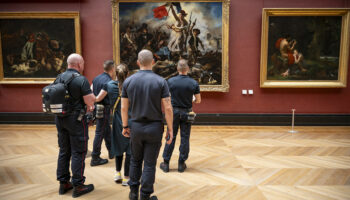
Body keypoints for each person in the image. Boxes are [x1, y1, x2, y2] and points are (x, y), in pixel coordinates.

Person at [121, 49, 173, 200]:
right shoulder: (160, 81)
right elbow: (168, 108)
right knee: (149, 164)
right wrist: (170, 129)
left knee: (135, 160)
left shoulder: (128, 81)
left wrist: (125, 126)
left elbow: (124, 107)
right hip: (155, 127)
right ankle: (145, 195)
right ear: (153, 62)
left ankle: (133, 193)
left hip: (136, 126)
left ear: (138, 62)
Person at [55, 53, 95, 198]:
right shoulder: (81, 80)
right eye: (83, 64)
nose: (83, 66)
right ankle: (78, 185)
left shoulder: (58, 77)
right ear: (78, 64)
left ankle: (63, 183)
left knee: (64, 150)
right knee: (78, 152)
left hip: (60, 119)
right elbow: (90, 102)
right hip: (76, 120)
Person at [160, 59, 201, 173]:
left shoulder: (170, 81)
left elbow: (166, 98)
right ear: (187, 69)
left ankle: (166, 163)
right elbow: (198, 100)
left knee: (170, 135)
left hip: (173, 112)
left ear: (177, 69)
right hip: (187, 112)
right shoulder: (194, 83)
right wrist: (190, 98)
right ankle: (181, 164)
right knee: (185, 137)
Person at [106, 64, 131, 186]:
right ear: (128, 74)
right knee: (130, 149)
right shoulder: (131, 86)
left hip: (116, 120)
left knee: (118, 147)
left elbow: (100, 98)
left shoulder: (109, 85)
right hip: (130, 119)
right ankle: (127, 177)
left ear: (115, 73)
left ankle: (117, 173)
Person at [90, 60, 116, 166]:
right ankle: (95, 157)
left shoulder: (97, 78)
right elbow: (98, 98)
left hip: (98, 108)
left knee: (106, 130)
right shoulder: (108, 82)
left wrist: (92, 103)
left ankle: (111, 151)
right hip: (103, 108)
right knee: (99, 132)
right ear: (113, 68)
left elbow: (90, 90)